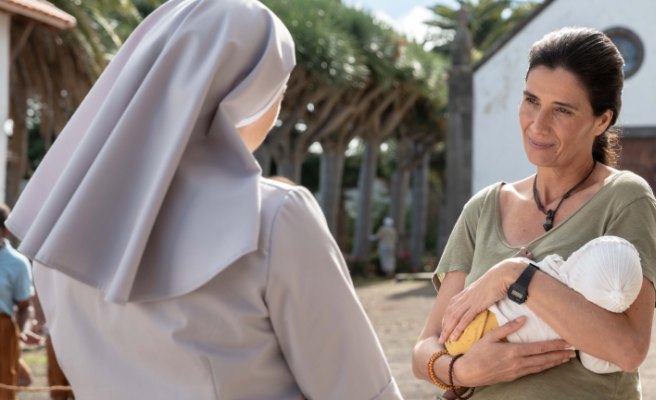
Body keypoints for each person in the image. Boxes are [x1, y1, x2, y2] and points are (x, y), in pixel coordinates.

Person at [7, 1, 400, 398]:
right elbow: (362, 391)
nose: (278, 109)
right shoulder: (273, 218)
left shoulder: (56, 228)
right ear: (245, 92)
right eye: (278, 89)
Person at [411, 27, 656, 400]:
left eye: (562, 110)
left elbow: (628, 349)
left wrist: (516, 276)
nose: (537, 124)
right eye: (531, 100)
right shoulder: (484, 208)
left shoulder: (625, 200)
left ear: (601, 121)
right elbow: (424, 350)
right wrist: (461, 370)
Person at [445, 236, 643, 375]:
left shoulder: (556, 269)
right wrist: (461, 375)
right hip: (467, 340)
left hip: (463, 329)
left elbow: (627, 354)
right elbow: (601, 363)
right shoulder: (580, 335)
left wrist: (512, 269)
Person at [0, 204, 32, 400]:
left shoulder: (17, 263)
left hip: (3, 334)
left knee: (4, 387)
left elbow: (25, 306)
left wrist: (25, 328)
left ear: (5, 230)